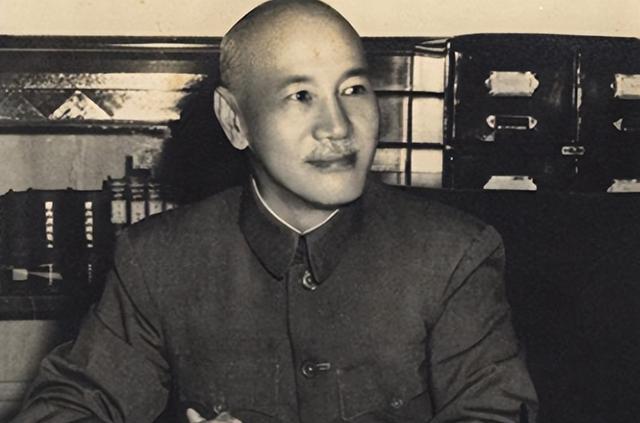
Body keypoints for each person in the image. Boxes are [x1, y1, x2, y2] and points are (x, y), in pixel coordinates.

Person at [11, 1, 538, 422]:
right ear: (235, 121)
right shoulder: (157, 261)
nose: (338, 126)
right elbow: (65, 409)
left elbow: (493, 412)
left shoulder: (453, 255)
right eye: (301, 95)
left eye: (353, 89)